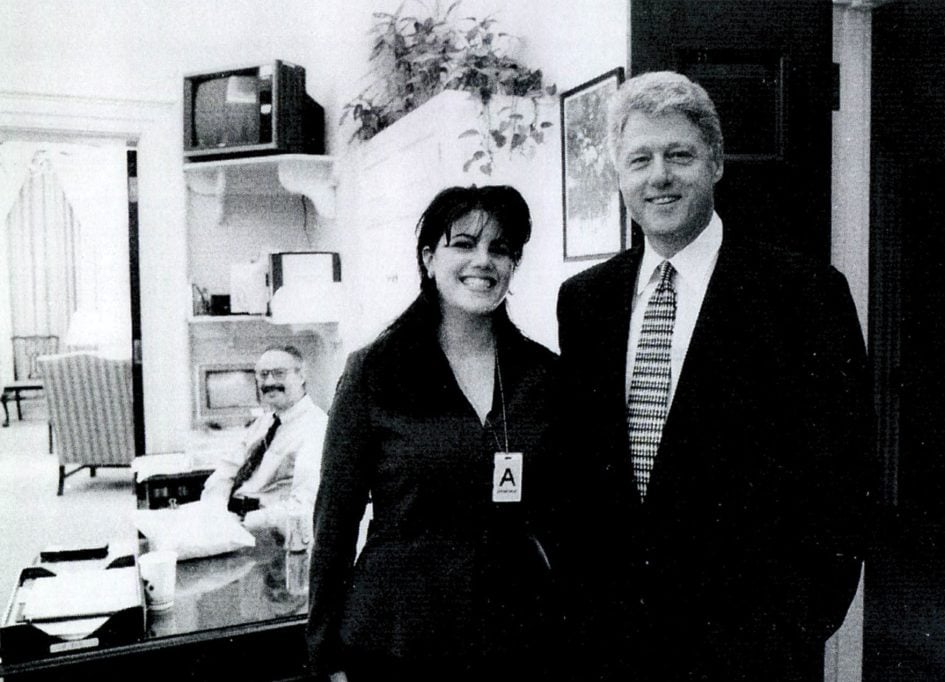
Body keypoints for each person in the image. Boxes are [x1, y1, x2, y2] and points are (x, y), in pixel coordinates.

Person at [556, 71, 875, 681]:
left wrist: (797, 622)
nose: (659, 176)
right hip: (615, 645)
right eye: (640, 159)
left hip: (750, 649)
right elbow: (583, 475)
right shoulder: (585, 301)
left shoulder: (803, 294)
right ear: (619, 176)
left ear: (717, 163)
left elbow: (845, 476)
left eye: (679, 155)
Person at [307, 186, 565, 682]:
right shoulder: (375, 371)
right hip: (397, 640)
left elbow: (563, 518)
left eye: (500, 248)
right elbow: (334, 524)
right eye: (463, 244)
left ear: (513, 265)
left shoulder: (543, 375)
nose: (483, 260)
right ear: (428, 258)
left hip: (517, 639)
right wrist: (324, 656)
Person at [200, 345, 328, 535]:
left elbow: (304, 505)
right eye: (263, 374)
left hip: (266, 530)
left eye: (279, 373)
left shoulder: (316, 428)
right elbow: (226, 471)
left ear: (301, 376)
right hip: (229, 521)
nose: (269, 382)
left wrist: (243, 522)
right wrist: (216, 511)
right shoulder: (264, 422)